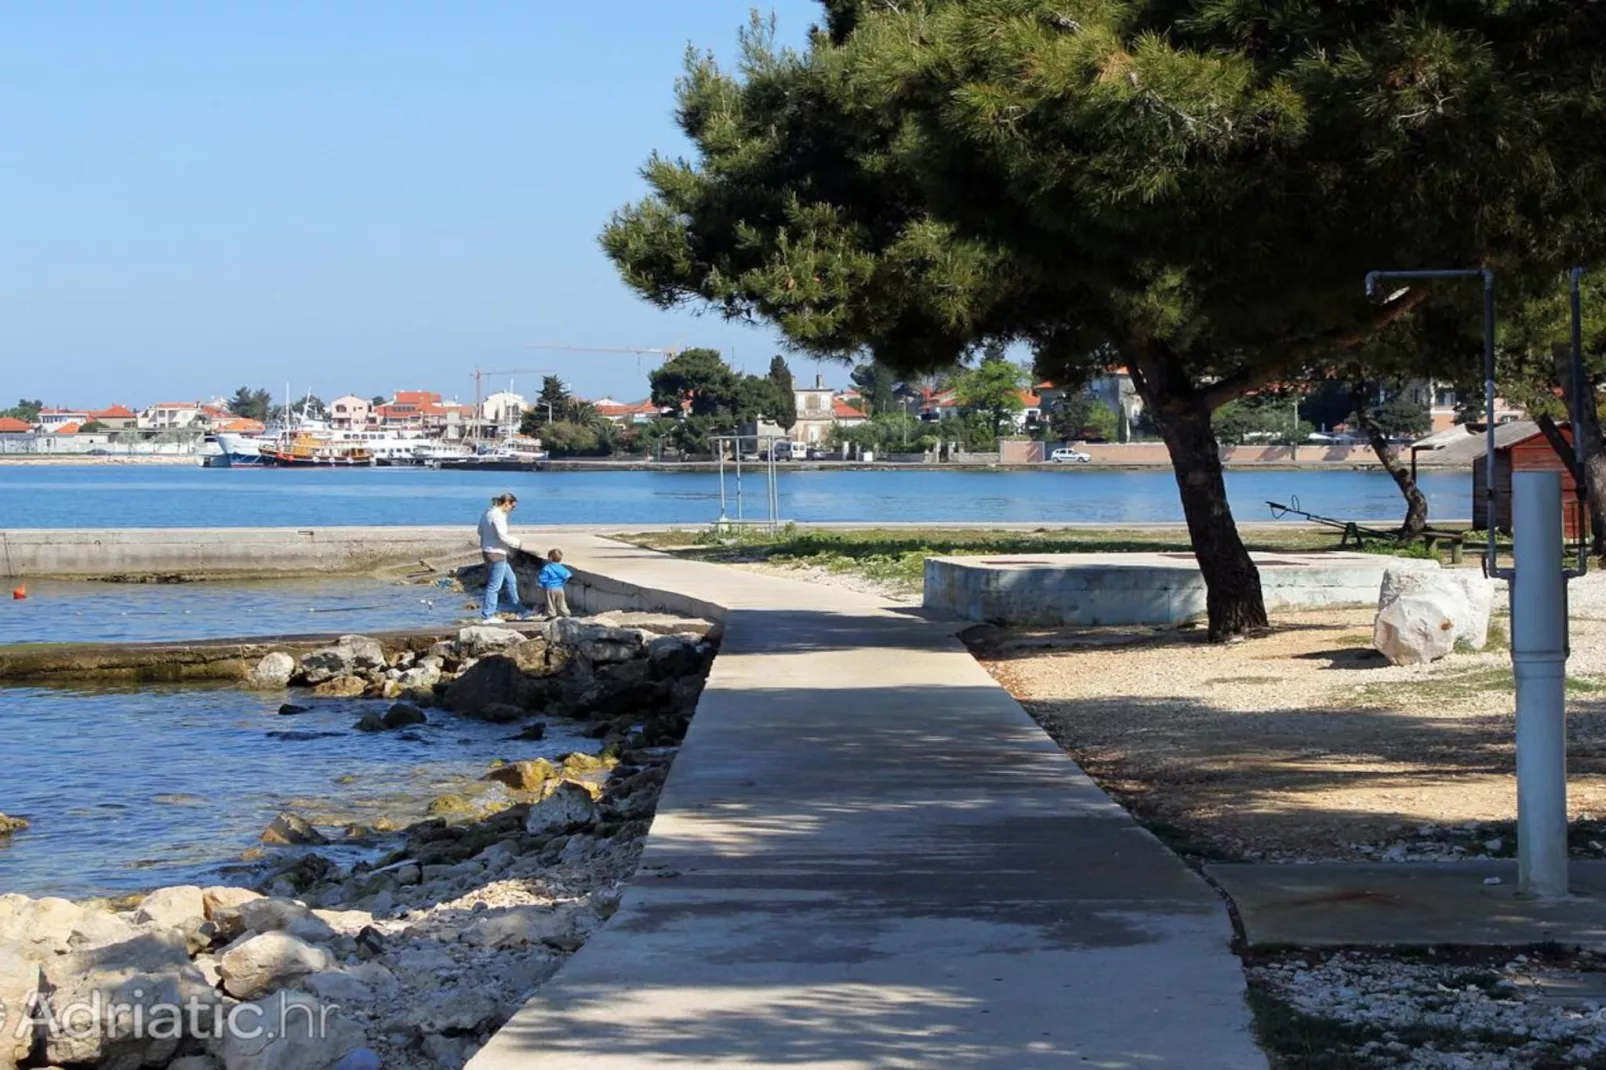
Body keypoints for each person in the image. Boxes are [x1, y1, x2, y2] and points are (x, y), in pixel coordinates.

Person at [478, 493, 535, 621]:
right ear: (506, 503)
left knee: (511, 580)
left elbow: (480, 531)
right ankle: (488, 615)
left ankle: (521, 611)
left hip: (489, 550)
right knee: (494, 586)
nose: (512, 510)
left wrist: (487, 540)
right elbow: (502, 535)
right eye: (512, 507)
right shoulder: (498, 515)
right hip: (496, 553)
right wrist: (518, 544)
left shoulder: (487, 512)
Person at [537, 548, 572, 618]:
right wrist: (563, 583)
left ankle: (551, 615)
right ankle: (566, 613)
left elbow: (543, 579)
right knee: (561, 603)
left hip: (550, 589)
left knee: (550, 603)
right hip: (560, 588)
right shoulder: (561, 568)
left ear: (550, 558)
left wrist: (540, 585)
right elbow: (568, 575)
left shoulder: (547, 568)